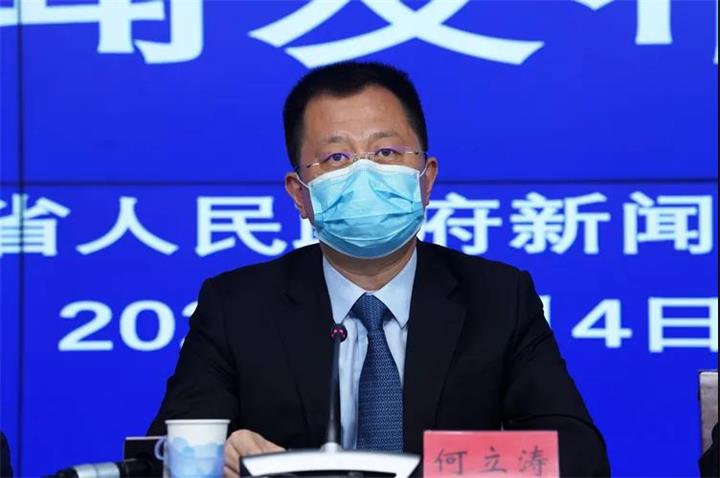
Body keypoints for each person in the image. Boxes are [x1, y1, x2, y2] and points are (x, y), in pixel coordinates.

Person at [148, 61, 610, 477]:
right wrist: (215, 455)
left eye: (386, 152)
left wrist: (439, 469)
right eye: (337, 158)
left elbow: (578, 455)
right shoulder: (237, 307)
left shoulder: (498, 298)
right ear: (299, 194)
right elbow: (155, 458)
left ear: (426, 179)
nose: (363, 173)